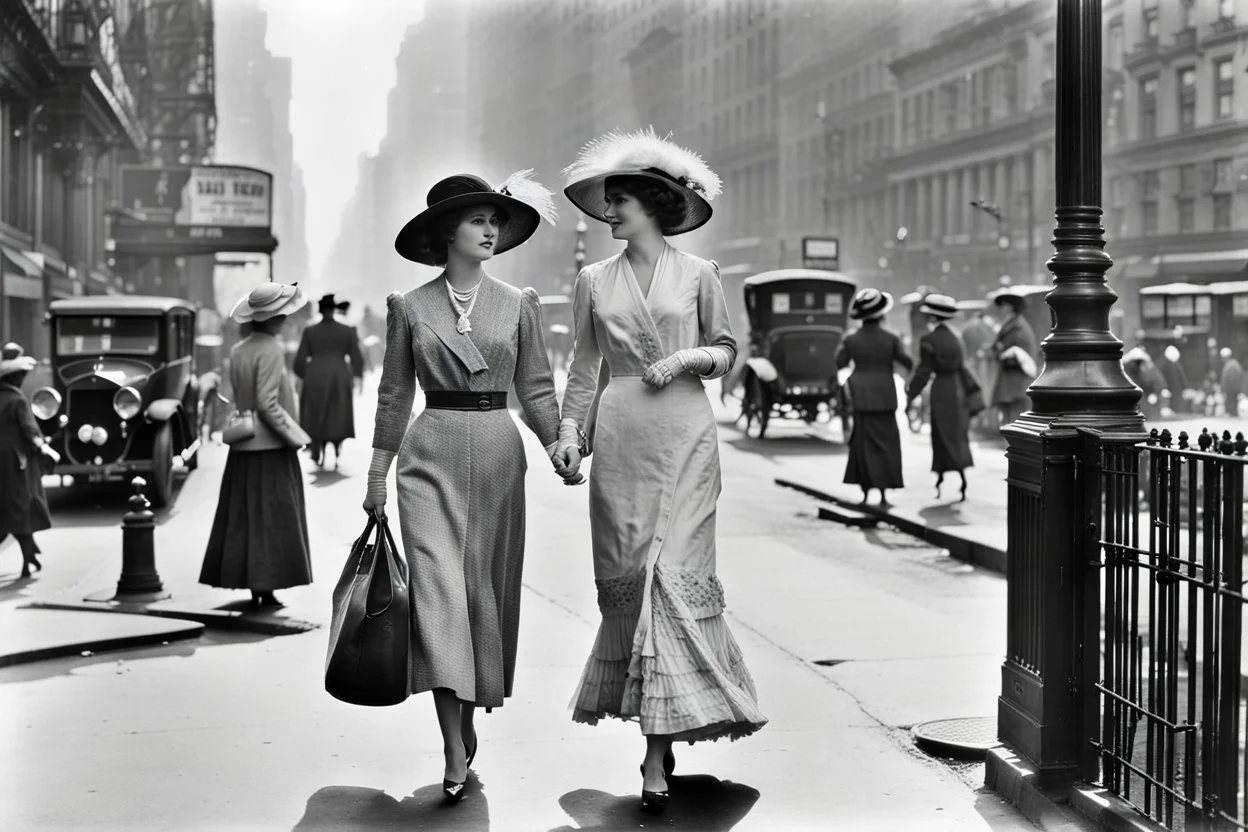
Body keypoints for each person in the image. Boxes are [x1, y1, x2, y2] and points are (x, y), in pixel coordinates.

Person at [554, 128, 767, 816]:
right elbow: (584, 367)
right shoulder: (594, 281)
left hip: (685, 435)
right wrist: (567, 434)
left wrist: (687, 360)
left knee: (669, 575)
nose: (608, 212)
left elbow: (730, 348)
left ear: (651, 204)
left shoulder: (699, 274)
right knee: (631, 576)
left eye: (618, 201)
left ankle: (654, 751)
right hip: (620, 437)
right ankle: (659, 722)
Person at [362, 171, 570, 805]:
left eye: (495, 221)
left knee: (483, 595)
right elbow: (395, 394)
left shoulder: (519, 303)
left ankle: (467, 714)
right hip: (429, 459)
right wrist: (376, 474)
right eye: (477, 219)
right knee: (438, 596)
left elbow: (534, 387)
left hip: (501, 455)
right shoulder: (409, 307)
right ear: (445, 231)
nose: (490, 229)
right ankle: (453, 741)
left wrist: (560, 441)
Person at [200, 283, 313, 609]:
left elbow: (238, 399)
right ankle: (267, 585)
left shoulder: (239, 350)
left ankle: (255, 587)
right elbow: (268, 403)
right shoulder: (272, 350)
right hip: (271, 447)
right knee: (273, 519)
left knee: (245, 520)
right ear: (276, 318)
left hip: (244, 446)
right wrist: (295, 436)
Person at [836, 288, 914, 505]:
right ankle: (883, 494)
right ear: (881, 315)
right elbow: (907, 363)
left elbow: (839, 363)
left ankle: (865, 492)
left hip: (861, 398)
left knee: (862, 446)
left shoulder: (851, 339)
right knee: (887, 446)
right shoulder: (891, 338)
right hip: (886, 398)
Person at [905, 294, 976, 501]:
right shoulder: (957, 339)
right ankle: (962, 477)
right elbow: (963, 367)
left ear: (932, 317)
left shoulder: (928, 340)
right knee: (957, 435)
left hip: (941, 391)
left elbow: (923, 371)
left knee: (940, 435)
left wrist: (911, 394)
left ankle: (941, 476)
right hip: (958, 390)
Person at [0, 343, 60, 578]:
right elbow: (30, 432)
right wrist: (44, 448)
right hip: (17, 464)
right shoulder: (17, 401)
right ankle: (27, 560)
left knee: (7, 511)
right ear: (15, 377)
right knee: (22, 509)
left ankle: (30, 554)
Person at [293, 294, 365, 469]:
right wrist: (357, 375)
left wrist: (306, 376)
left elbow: (299, 361)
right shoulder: (347, 330)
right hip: (339, 375)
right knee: (337, 411)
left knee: (315, 411)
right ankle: (336, 443)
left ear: (320, 310)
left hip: (315, 374)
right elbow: (357, 357)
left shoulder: (310, 331)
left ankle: (316, 444)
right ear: (333, 310)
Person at [989, 291, 1039, 426]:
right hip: (1011, 386)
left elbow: (1026, 358)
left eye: (1003, 306)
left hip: (1016, 386)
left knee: (1015, 425)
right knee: (1009, 424)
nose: (1000, 310)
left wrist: (1002, 354)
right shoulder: (1011, 325)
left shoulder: (1018, 328)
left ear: (1011, 307)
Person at [1159, 344, 1189, 415]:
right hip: (1175, 389)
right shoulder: (1175, 365)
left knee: (1174, 405)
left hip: (1172, 389)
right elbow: (1181, 377)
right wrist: (1184, 386)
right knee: (1176, 405)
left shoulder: (1164, 364)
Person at [1220, 348, 1243, 418]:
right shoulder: (1234, 364)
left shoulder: (1230, 366)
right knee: (1233, 411)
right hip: (1234, 392)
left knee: (1231, 412)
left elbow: (1229, 380)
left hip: (1230, 392)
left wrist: (1224, 391)